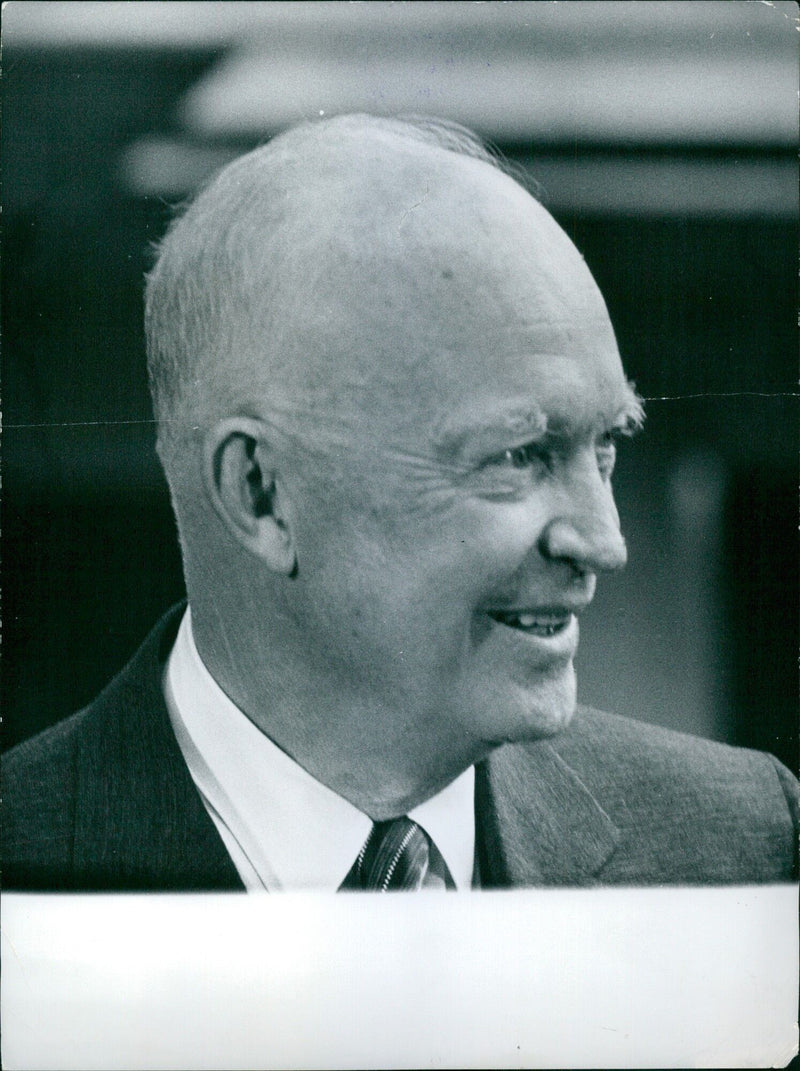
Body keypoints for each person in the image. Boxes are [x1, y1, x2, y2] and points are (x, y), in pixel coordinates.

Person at [4, 114, 797, 892]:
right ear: (260, 493)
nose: (603, 539)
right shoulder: (24, 857)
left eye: (606, 446)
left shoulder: (741, 845)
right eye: (517, 455)